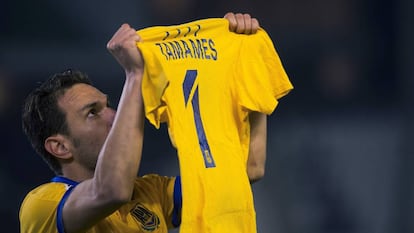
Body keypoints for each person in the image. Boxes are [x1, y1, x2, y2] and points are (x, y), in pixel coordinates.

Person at [19, 13, 263, 233]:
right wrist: (136, 76)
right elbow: (111, 191)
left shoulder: (150, 192)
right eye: (92, 113)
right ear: (60, 147)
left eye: (108, 105)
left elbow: (244, 171)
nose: (115, 116)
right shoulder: (42, 205)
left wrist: (248, 71)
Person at [136, 12, 293, 232]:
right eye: (92, 112)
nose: (110, 116)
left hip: (209, 209)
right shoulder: (79, 197)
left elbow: (254, 169)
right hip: (232, 210)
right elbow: (254, 169)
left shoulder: (145, 51)